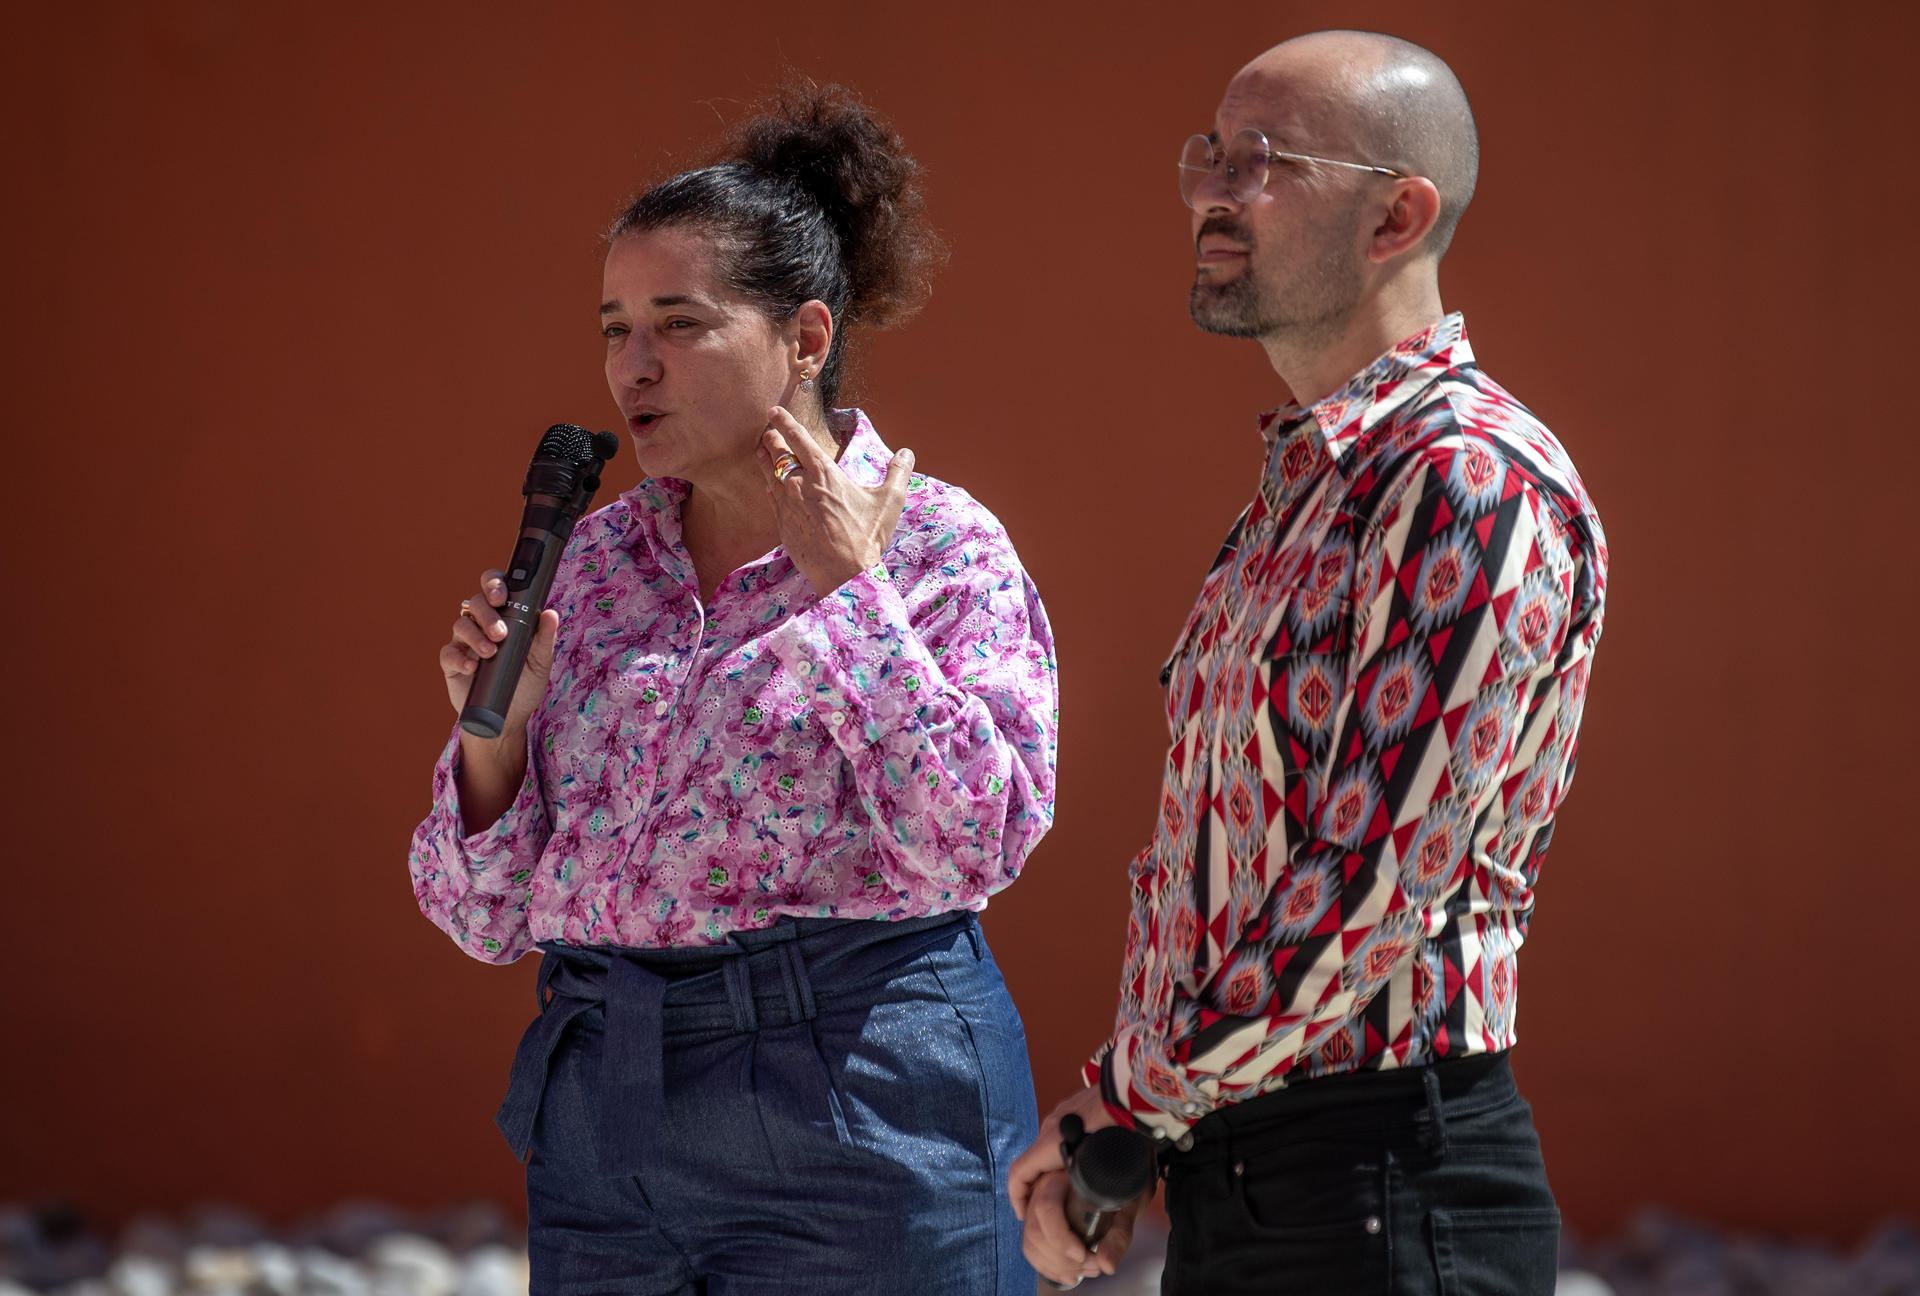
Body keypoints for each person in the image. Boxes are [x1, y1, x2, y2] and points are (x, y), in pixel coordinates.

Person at [407, 85, 1055, 1295]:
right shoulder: (588, 568)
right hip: (608, 1108)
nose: (632, 367)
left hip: (860, 1100)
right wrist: (492, 737)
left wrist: (847, 595)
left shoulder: (937, 548)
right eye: (613, 328)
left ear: (805, 340)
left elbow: (976, 843)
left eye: (679, 324)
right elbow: (480, 918)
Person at [1010, 30, 1608, 1295]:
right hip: (1260, 1176)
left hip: (1387, 1183)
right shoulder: (1311, 490)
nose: (1210, 194)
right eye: (1208, 156)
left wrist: (1126, 1095)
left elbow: (1368, 885)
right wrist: (1148, 1125)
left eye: (1263, 162)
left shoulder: (1463, 483)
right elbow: (1224, 870)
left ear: (1398, 215)